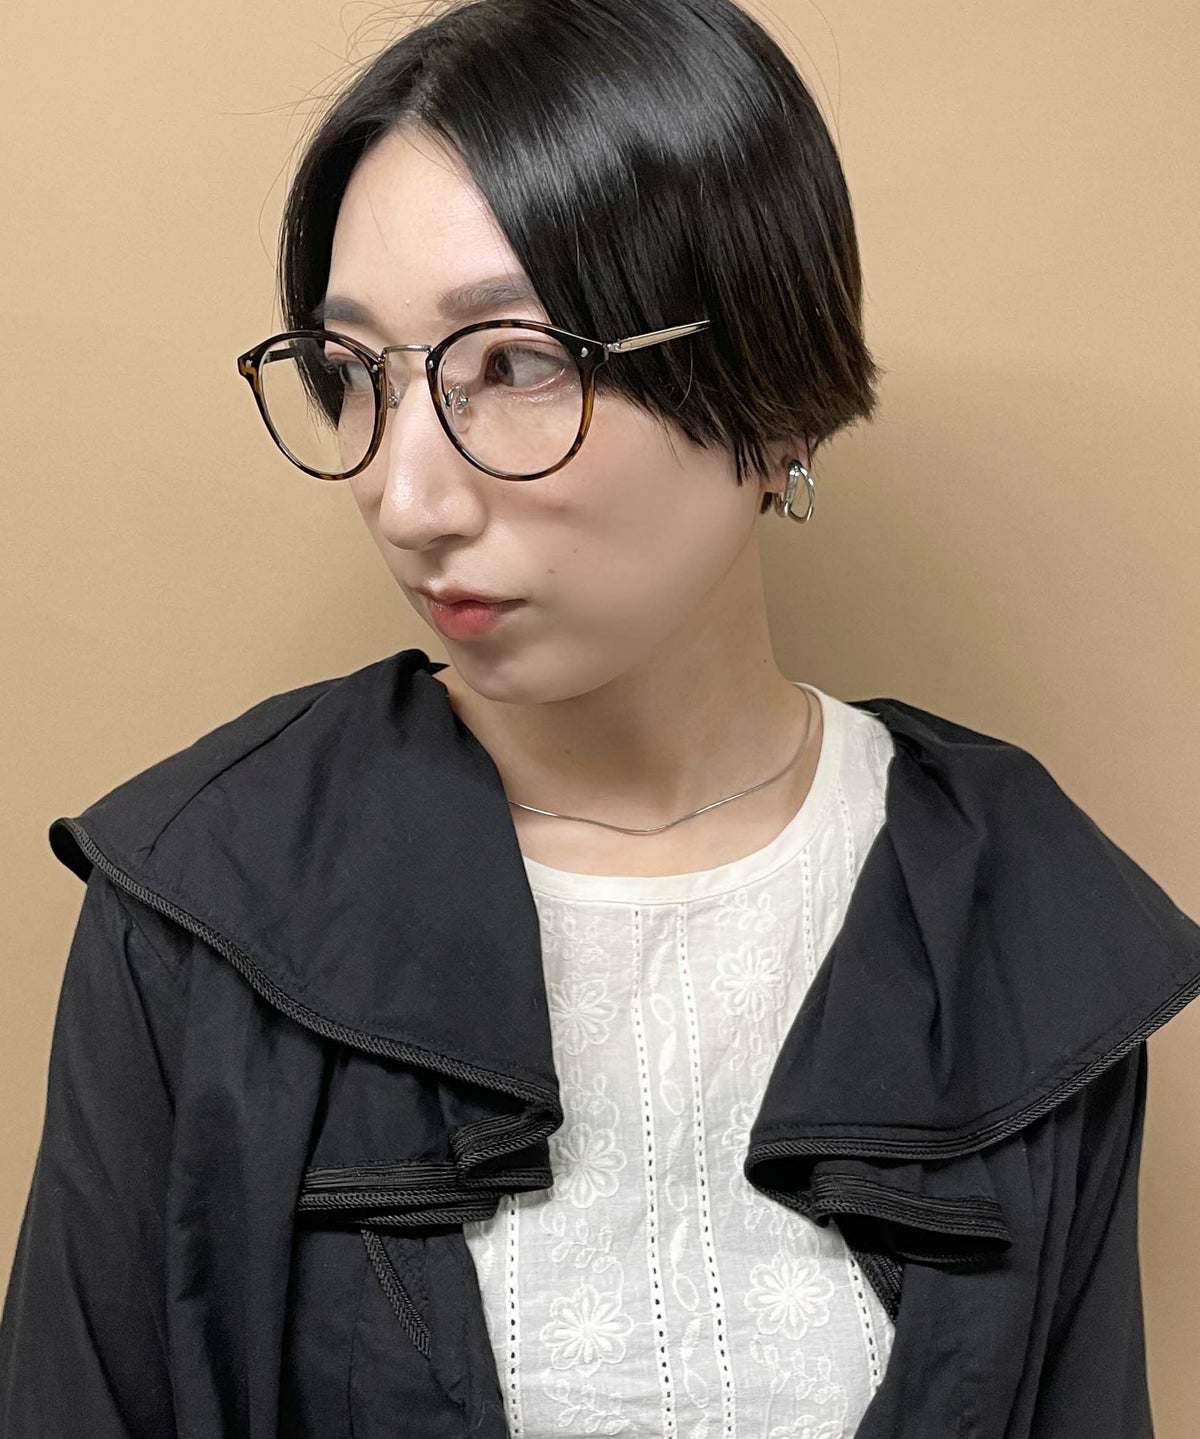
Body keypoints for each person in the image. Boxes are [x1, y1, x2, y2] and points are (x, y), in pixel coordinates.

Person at [2, 1, 1198, 1435]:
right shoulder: (204, 898)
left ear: (771, 395)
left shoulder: (1015, 920)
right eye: (357, 373)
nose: (405, 498)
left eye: (512, 364)